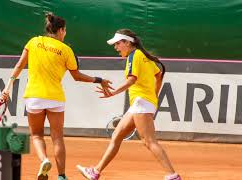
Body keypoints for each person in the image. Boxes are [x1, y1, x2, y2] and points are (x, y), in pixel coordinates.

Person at [0, 13, 112, 180]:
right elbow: (77, 76)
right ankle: (61, 176)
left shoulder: (34, 41)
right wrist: (99, 80)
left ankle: (44, 160)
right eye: (65, 31)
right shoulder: (66, 50)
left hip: (34, 97)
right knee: (57, 137)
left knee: (36, 135)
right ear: (60, 30)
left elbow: (18, 66)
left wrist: (6, 89)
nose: (65, 34)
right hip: (55, 98)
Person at [77, 29, 181, 180]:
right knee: (117, 135)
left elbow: (132, 80)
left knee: (149, 141)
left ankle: (173, 176)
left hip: (141, 103)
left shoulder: (134, 56)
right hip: (142, 103)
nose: (116, 47)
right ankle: (96, 171)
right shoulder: (144, 56)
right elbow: (158, 74)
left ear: (128, 42)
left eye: (118, 43)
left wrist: (112, 93)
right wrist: (154, 97)